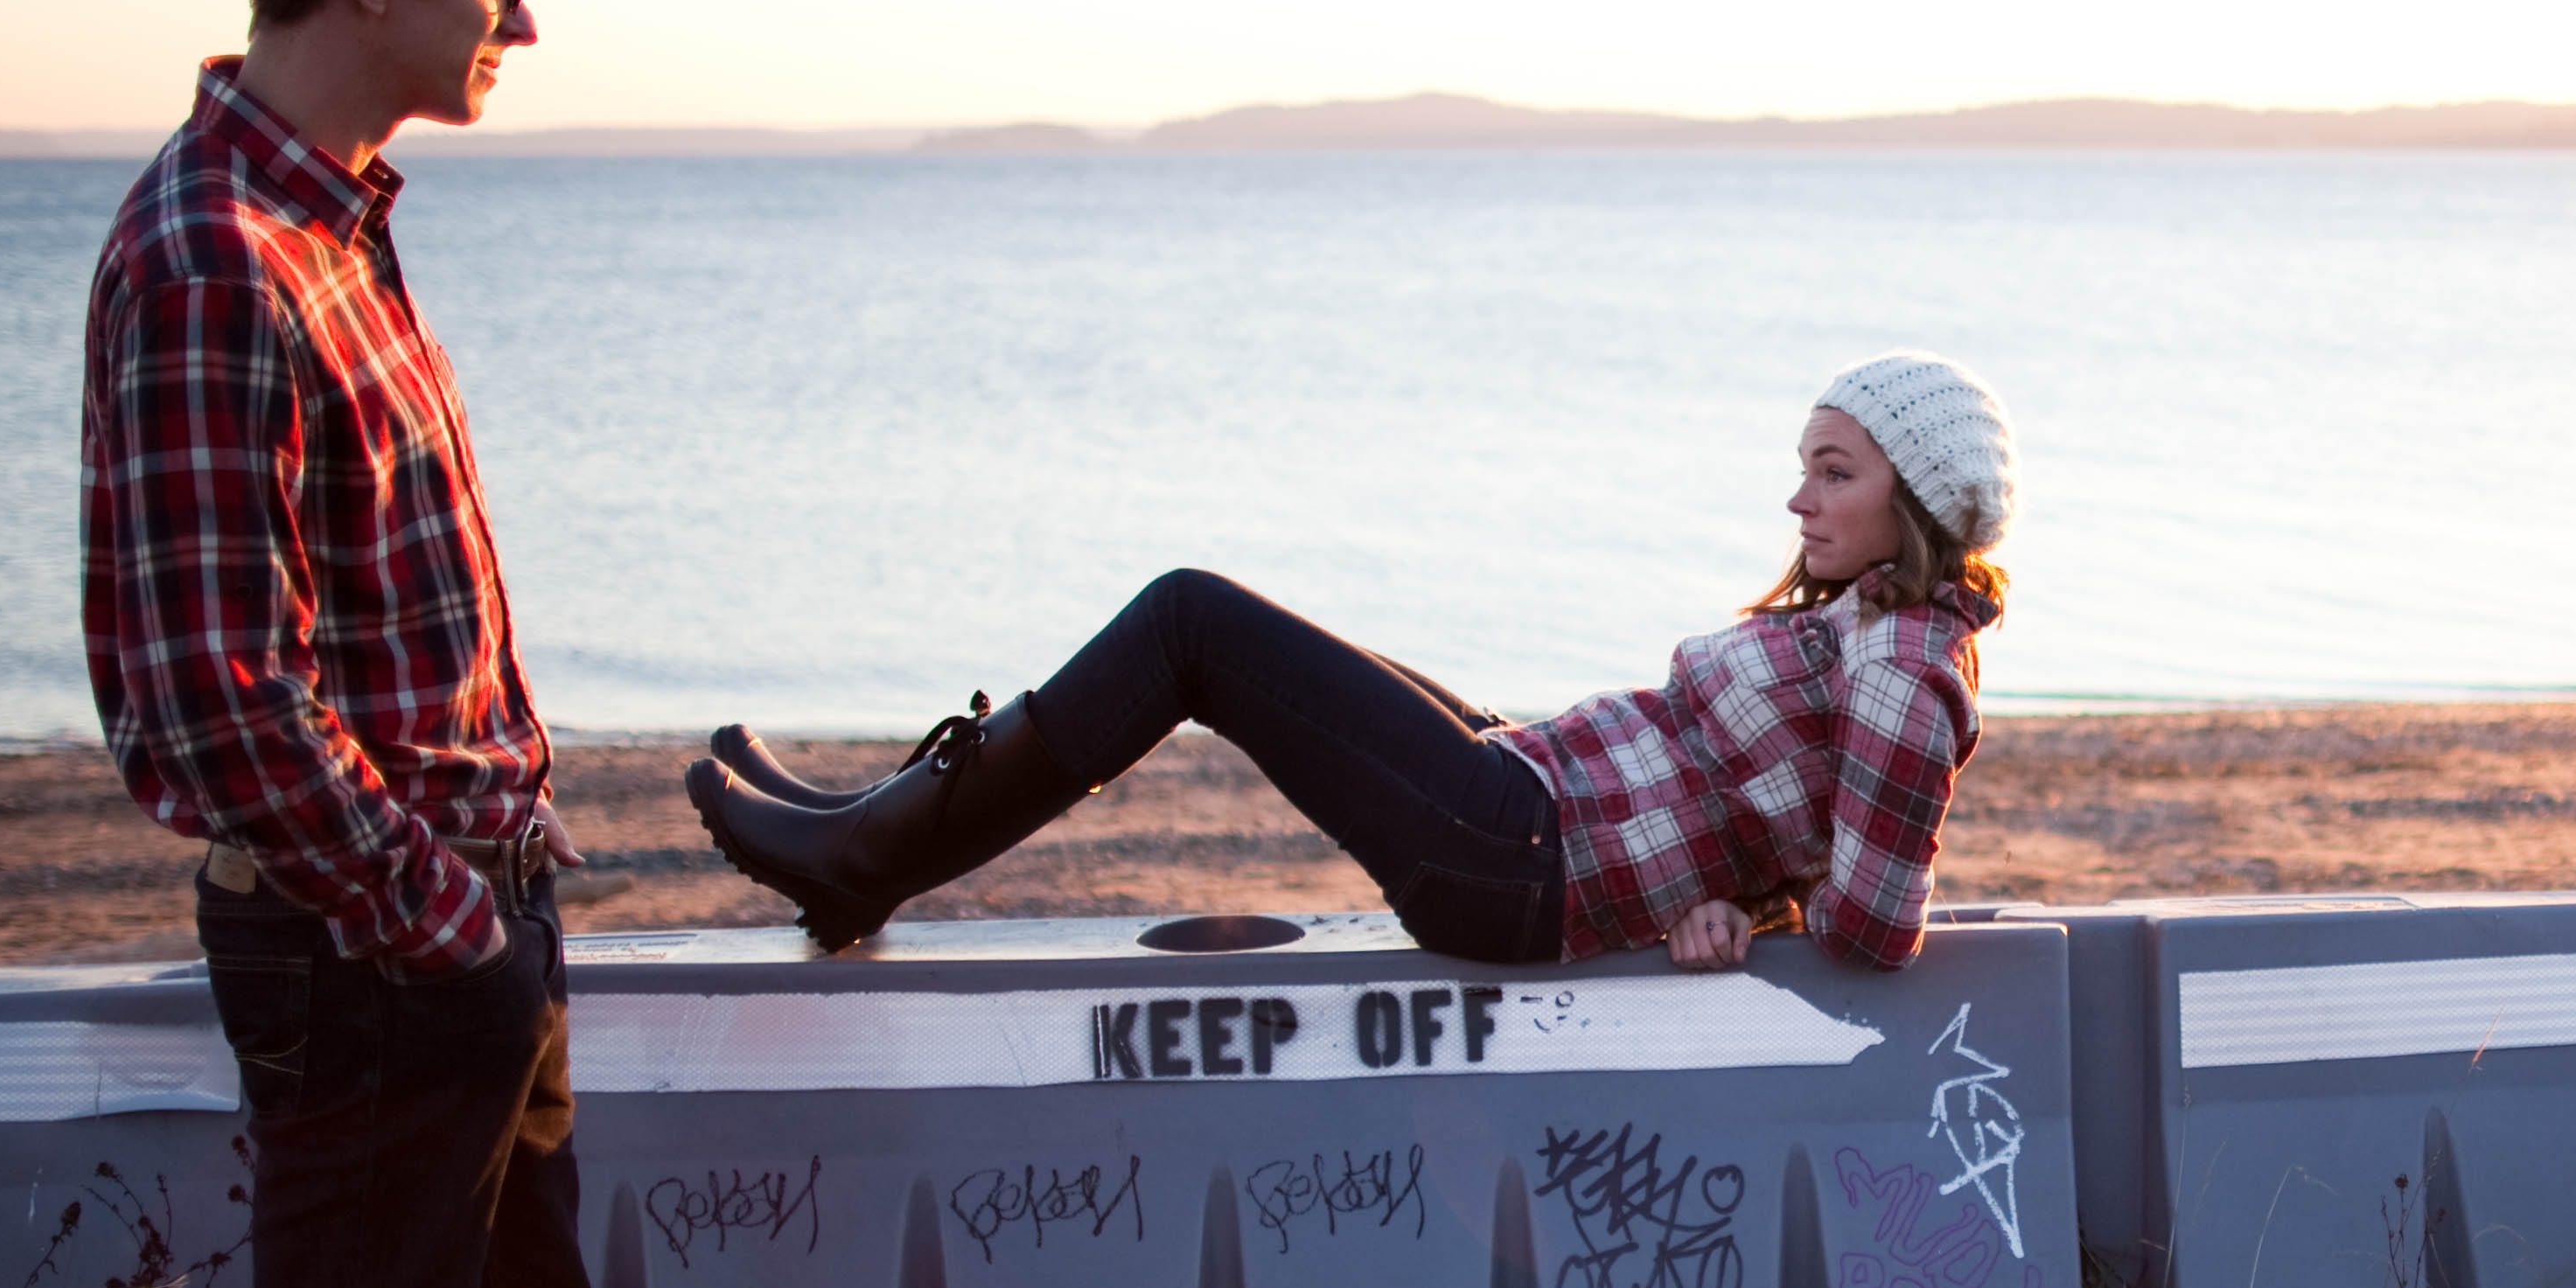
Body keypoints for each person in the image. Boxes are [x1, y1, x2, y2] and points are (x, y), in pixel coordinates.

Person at [78, 0, 588, 1288]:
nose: (523, 22)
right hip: (382, 959)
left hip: (457, 926)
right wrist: (452, 926)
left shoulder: (328, 227)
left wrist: (504, 865)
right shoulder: (218, 255)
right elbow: (219, 699)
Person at [693, 352, 2018, 971]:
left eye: (1833, 473)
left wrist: (1752, 921)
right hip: (1538, 795)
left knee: (1194, 624)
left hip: (1525, 861)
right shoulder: (1864, 626)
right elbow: (1791, 818)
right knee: (1277, 642)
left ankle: (870, 857)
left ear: (1919, 497)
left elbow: (1873, 922)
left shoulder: (1904, 672)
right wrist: (1735, 892)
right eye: (1803, 468)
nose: (1798, 499)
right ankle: (873, 823)